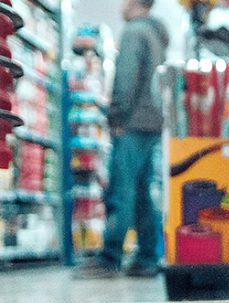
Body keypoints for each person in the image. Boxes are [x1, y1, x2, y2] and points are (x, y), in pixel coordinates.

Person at [75, 0, 169, 279]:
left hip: (132, 122)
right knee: (142, 193)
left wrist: (116, 116)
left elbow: (127, 78)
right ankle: (147, 259)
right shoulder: (156, 33)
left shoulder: (134, 32)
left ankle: (110, 257)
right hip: (151, 121)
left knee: (121, 191)